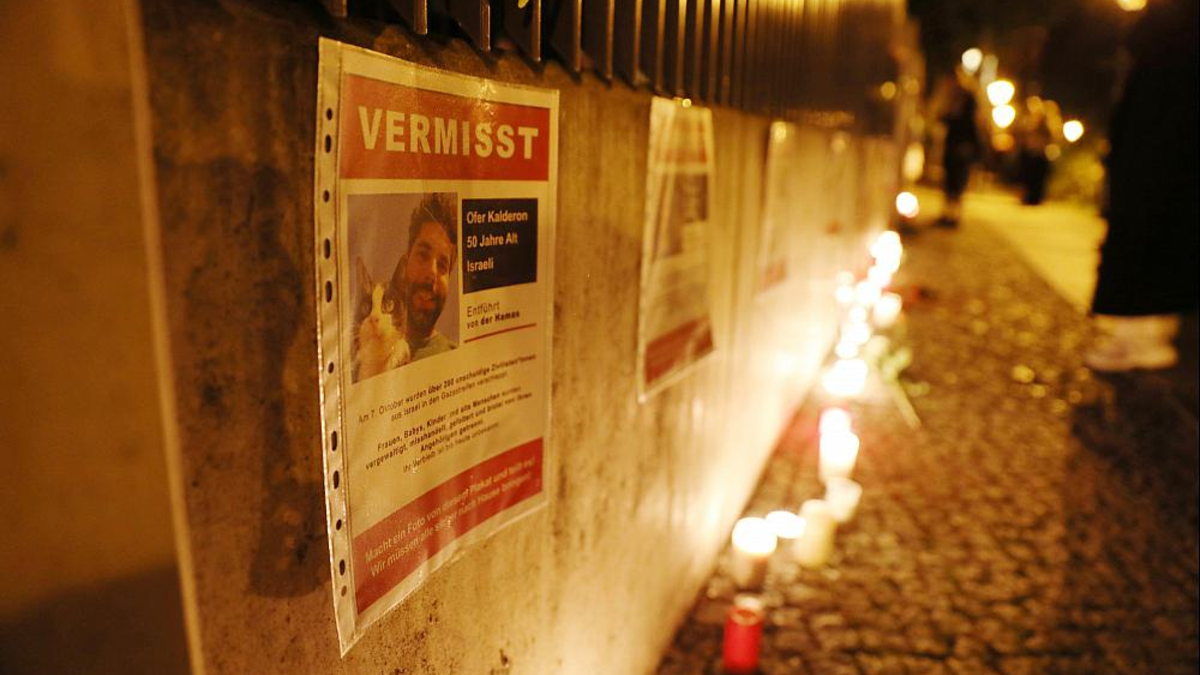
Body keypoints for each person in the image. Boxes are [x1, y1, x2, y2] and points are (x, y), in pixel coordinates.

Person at [1084, 0, 1198, 371]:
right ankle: (1131, 329)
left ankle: (1147, 332)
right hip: (1152, 134)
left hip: (1166, 140)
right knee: (1140, 222)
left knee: (1155, 224)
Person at [392, 193, 458, 361]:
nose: (432, 273)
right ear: (406, 262)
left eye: (442, 265)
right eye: (423, 255)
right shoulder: (368, 357)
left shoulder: (456, 357)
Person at [936, 70, 983, 228]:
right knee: (950, 180)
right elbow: (943, 118)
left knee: (958, 181)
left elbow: (971, 125)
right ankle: (948, 213)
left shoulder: (967, 99)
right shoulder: (953, 99)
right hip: (953, 144)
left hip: (962, 146)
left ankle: (954, 215)